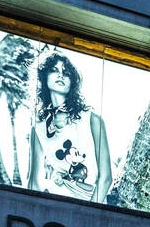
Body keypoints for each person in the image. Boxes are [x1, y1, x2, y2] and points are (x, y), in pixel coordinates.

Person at [28, 52, 111, 203]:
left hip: (90, 204)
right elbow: (34, 182)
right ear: (44, 77)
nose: (60, 75)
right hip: (54, 205)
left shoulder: (92, 120)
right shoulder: (38, 128)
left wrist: (91, 213)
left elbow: (105, 178)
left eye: (65, 73)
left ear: (72, 81)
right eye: (54, 70)